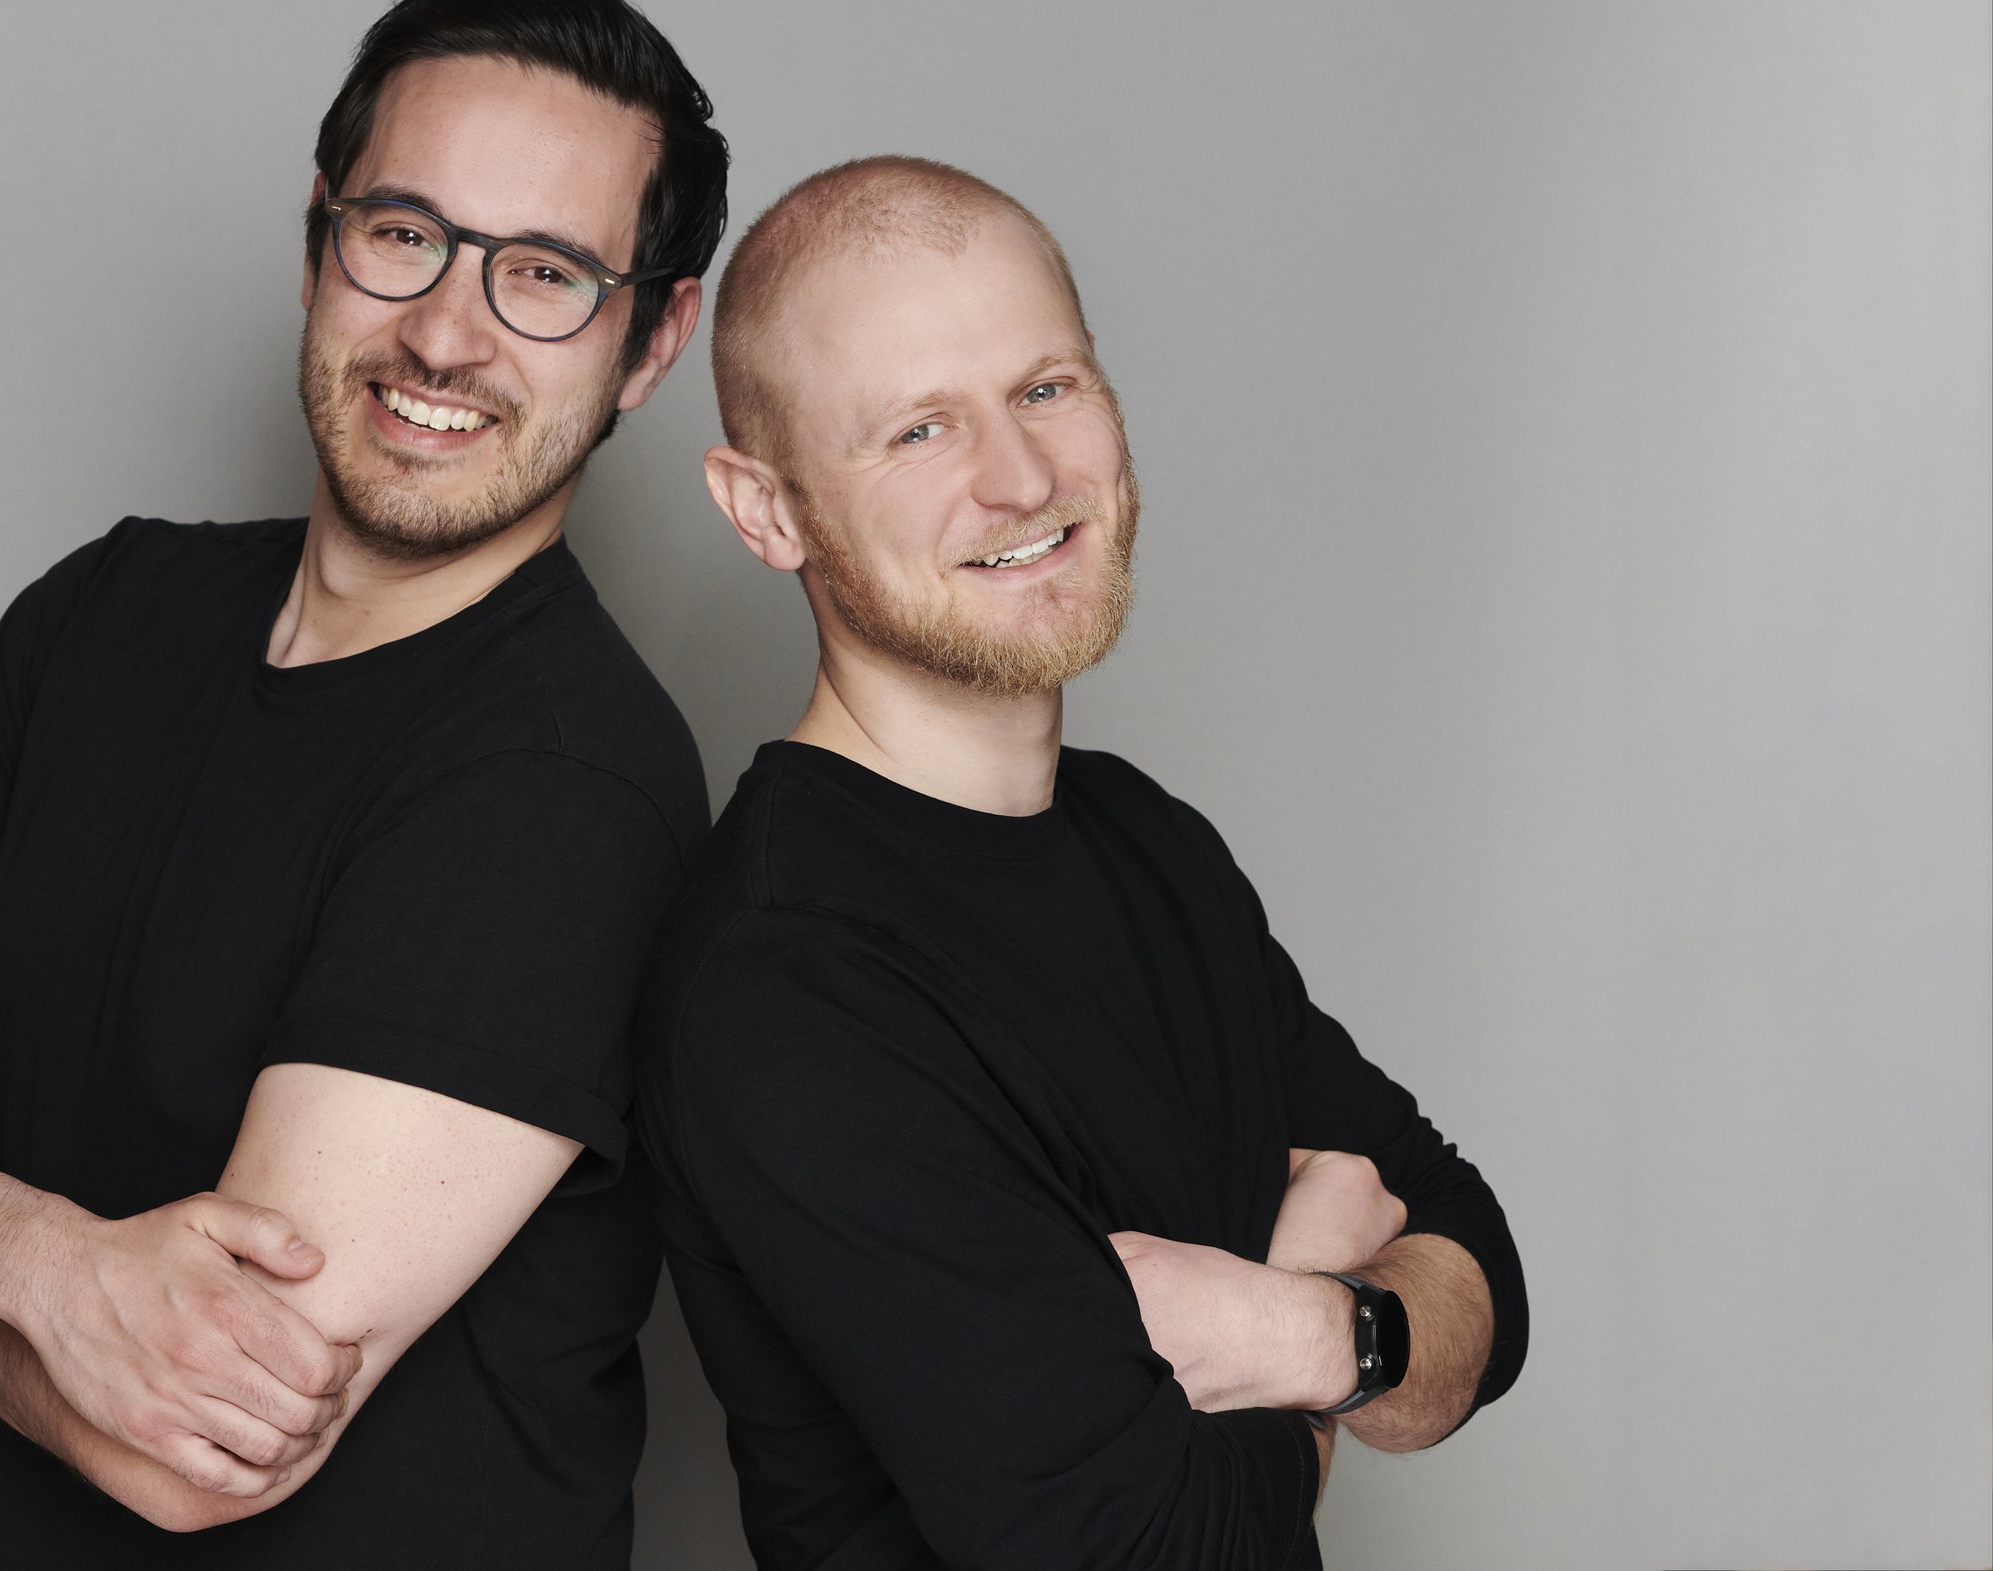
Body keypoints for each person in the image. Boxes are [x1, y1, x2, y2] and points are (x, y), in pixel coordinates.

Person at [0, 0, 726, 1569]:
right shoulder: (108, 609)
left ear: (651, 342)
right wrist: (34, 1259)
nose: (447, 334)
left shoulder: (567, 786)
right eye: (405, 235)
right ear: (320, 236)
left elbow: (195, 1447)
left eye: (545, 274)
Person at [638, 156, 1527, 1569]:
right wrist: (1333, 1290)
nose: (1024, 478)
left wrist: (1281, 1328)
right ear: (767, 511)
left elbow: (1485, 1278)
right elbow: (1157, 1552)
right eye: (919, 429)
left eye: (1048, 387)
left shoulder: (1144, 842)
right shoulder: (786, 982)